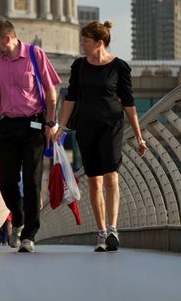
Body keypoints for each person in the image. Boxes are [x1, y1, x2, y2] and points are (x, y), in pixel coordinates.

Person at [56, 20, 147, 252]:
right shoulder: (79, 66)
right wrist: (61, 127)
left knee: (111, 176)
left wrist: (139, 136)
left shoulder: (119, 67)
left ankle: (113, 228)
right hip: (86, 128)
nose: (82, 44)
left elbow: (129, 103)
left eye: (85, 41)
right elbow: (71, 98)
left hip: (112, 126)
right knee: (94, 181)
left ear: (99, 43)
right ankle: (101, 232)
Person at [0, 18, 61, 253]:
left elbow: (51, 93)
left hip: (34, 126)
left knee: (32, 181)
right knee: (5, 181)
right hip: (8, 126)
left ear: (7, 38)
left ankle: (29, 235)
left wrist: (50, 123)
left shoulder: (35, 55)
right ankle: (18, 218)